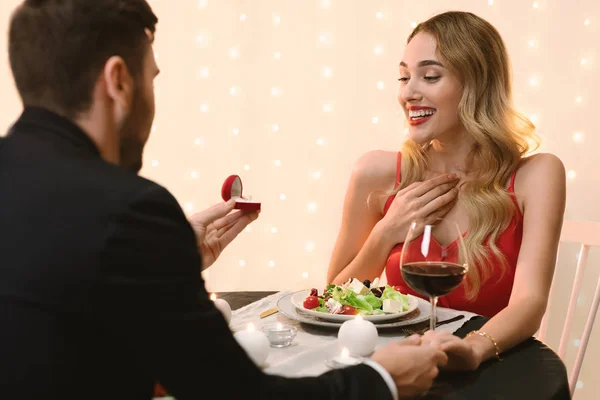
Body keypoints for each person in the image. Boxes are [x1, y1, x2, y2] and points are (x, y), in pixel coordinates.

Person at [0, 1, 448, 399]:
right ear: (118, 80)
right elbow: (234, 392)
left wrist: (166, 261)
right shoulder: (132, 211)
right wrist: (380, 381)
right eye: (150, 78)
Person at [327, 11, 566, 371]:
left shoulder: (538, 174)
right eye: (404, 77)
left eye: (430, 76)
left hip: (487, 367)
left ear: (476, 84)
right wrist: (386, 232)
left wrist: (471, 351)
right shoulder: (375, 172)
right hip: (399, 366)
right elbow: (332, 296)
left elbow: (530, 301)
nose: (408, 93)